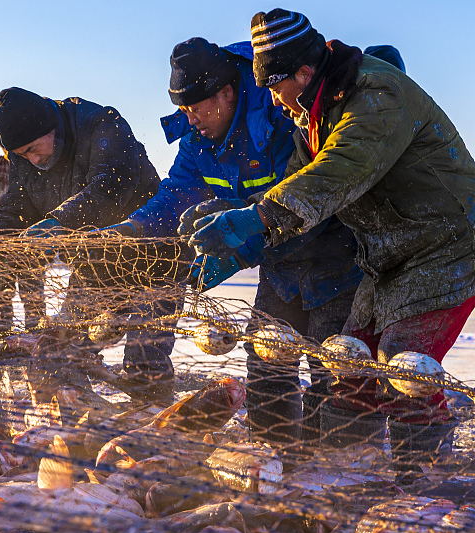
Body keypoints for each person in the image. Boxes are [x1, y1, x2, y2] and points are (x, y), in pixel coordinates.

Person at [190, 8, 475, 472]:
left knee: (402, 366)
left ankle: (421, 479)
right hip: (385, 255)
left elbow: (338, 172)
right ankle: (341, 469)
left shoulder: (376, 94)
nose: (277, 102)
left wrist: (258, 217)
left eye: (278, 88)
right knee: (350, 366)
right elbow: (298, 182)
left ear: (303, 72)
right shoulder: (315, 112)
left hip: (446, 247)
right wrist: (247, 239)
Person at [102, 38, 363, 448]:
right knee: (266, 365)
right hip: (279, 265)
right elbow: (177, 191)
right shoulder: (198, 137)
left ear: (226, 93)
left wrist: (238, 230)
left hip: (335, 256)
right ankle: (275, 456)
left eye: (196, 108)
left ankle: (337, 468)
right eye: (183, 110)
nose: (190, 120)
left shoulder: (280, 115)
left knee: (333, 370)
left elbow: (304, 196)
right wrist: (132, 228)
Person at [0, 87, 168, 400]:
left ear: (49, 127)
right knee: (61, 351)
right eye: (21, 155)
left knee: (144, 361)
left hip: (152, 256)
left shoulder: (102, 124)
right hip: (94, 263)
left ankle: (158, 435)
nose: (32, 159)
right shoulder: (23, 158)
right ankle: (79, 431)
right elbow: (16, 207)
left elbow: (109, 187)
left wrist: (58, 222)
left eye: (32, 148)